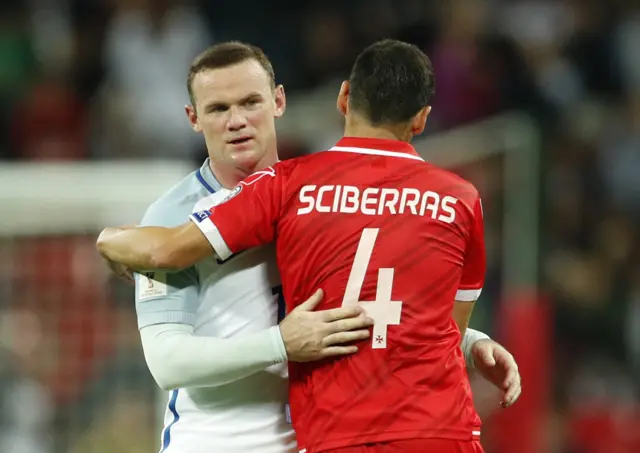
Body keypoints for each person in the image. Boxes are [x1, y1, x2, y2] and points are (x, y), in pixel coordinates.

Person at [97, 41, 521, 453]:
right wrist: (279, 343)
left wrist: (468, 342)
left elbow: (373, 296)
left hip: (311, 439)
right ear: (193, 118)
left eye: (250, 102)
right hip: (217, 441)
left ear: (279, 101)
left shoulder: (310, 192)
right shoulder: (169, 220)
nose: (237, 121)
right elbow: (168, 363)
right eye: (218, 109)